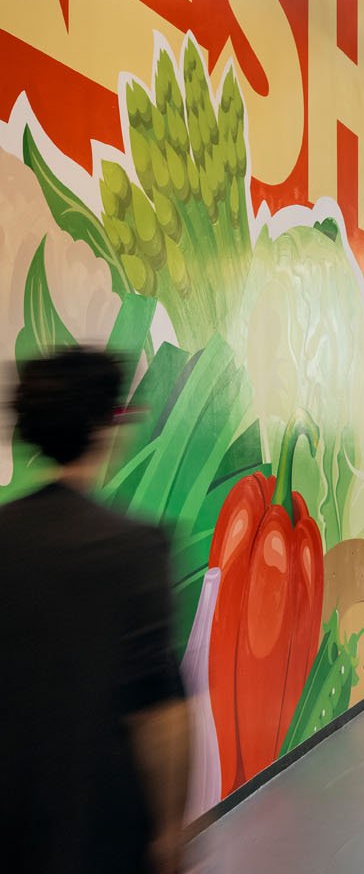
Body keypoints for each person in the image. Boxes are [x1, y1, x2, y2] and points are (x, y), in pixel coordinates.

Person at [0, 348, 189, 873]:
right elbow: (160, 711)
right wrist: (170, 834)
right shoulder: (134, 547)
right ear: (108, 424)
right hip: (99, 826)